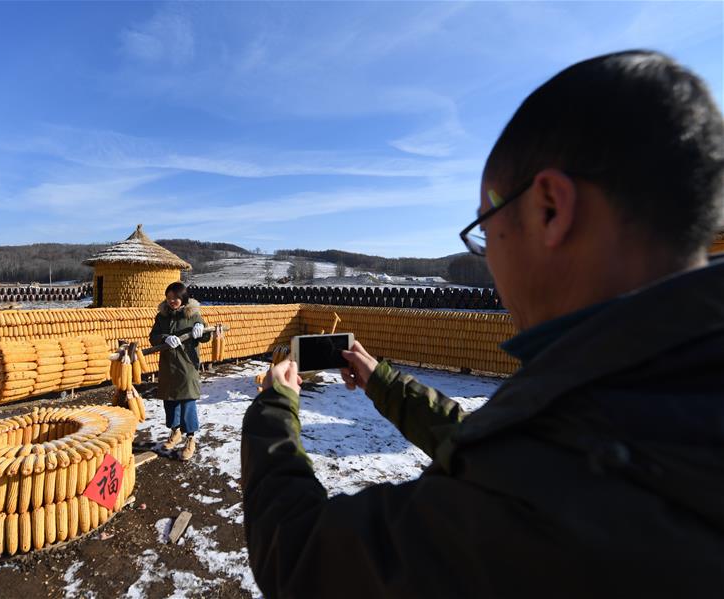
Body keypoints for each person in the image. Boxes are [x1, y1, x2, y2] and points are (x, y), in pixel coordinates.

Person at [241, 50, 724, 598]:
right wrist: (386, 382)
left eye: (486, 231)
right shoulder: (654, 390)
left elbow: (304, 557)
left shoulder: (553, 485)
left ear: (549, 208)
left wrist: (276, 404)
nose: (490, 260)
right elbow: (498, 446)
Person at [149, 281, 211, 461]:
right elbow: (153, 337)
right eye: (169, 298)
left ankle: (191, 438)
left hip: (187, 364)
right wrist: (165, 337)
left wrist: (202, 330)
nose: (172, 301)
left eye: (176, 297)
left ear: (183, 297)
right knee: (170, 401)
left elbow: (205, 336)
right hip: (168, 365)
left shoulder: (193, 314)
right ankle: (175, 432)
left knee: (187, 401)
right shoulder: (162, 316)